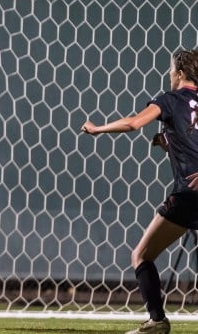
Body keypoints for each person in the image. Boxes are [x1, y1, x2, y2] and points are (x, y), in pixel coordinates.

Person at [81, 49, 198, 334]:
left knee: (142, 255)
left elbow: (133, 123)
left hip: (188, 195)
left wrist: (97, 129)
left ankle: (157, 321)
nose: (170, 75)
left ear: (180, 73)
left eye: (172, 70)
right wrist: (167, 145)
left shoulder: (170, 100)